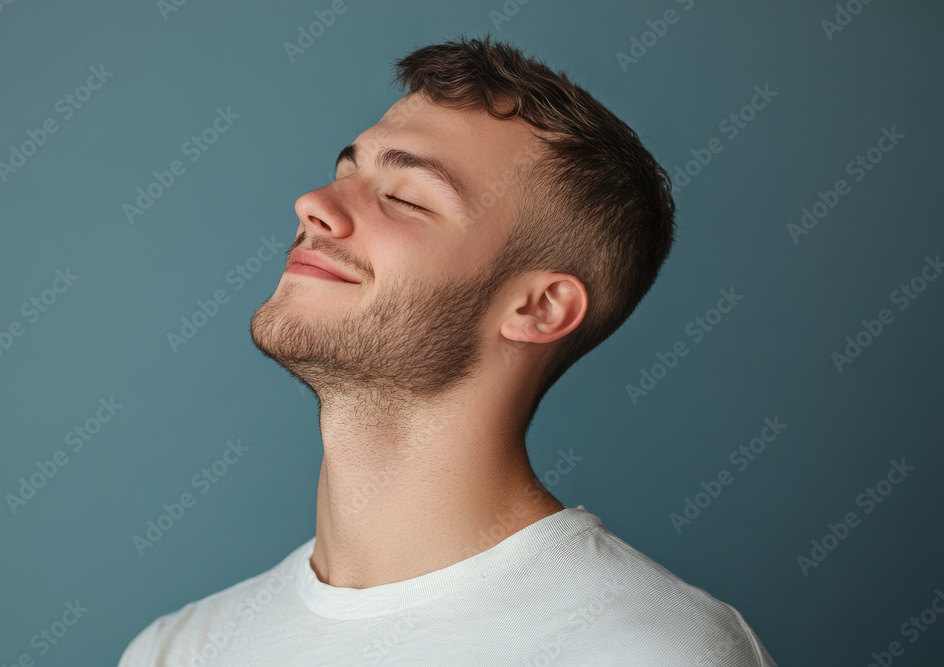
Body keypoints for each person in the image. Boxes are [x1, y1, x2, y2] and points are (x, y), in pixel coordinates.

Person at [118, 34, 776, 666]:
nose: (313, 205)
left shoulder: (654, 652)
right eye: (343, 173)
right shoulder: (177, 650)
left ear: (539, 308)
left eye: (403, 197)